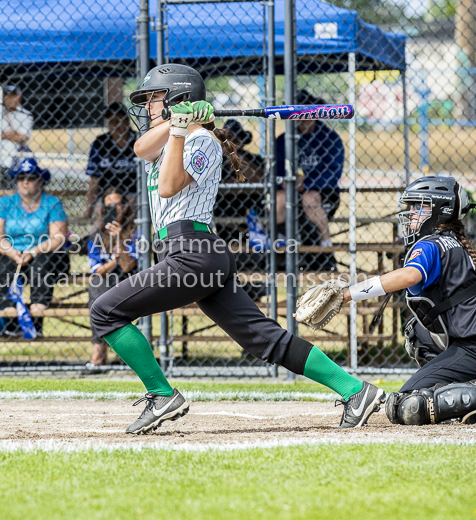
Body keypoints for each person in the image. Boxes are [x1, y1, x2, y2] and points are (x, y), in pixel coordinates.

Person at [90, 63, 384, 435]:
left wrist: (181, 129)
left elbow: (167, 187)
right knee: (263, 338)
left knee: (105, 311)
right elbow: (140, 147)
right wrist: (176, 122)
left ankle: (162, 394)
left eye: (154, 98)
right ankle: (356, 391)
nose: (147, 106)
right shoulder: (171, 136)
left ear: (177, 98)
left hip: (192, 251)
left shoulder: (202, 142)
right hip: (192, 253)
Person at [336, 176, 476, 426]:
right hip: (466, 342)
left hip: (471, 346)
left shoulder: (432, 243)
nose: (411, 214)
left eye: (418, 207)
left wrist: (348, 294)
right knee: (417, 332)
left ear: (439, 211)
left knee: (407, 404)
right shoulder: (452, 241)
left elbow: (410, 275)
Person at [0, 157, 69, 336]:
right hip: (14, 254)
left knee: (43, 261)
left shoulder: (52, 203)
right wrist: (13, 253)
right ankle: (11, 321)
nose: (25, 181)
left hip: (45, 254)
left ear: (40, 181)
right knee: (2, 262)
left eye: (31, 177)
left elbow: (58, 238)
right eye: (20, 177)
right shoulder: (6, 203)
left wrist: (32, 251)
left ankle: (35, 320)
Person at [275, 90, 344, 247]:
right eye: (296, 114)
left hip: (323, 192)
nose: (301, 118)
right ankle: (278, 244)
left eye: (305, 113)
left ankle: (325, 243)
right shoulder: (283, 140)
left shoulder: (329, 138)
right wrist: (284, 181)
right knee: (279, 198)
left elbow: (333, 172)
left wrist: (307, 184)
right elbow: (276, 169)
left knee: (309, 198)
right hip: (290, 190)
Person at [85, 189, 138, 370]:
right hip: (104, 281)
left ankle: (104, 355)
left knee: (104, 293)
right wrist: (113, 260)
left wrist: (119, 238)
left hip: (129, 280)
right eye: (109, 206)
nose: (114, 210)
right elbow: (97, 271)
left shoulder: (135, 233)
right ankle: (99, 353)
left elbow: (127, 267)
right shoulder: (95, 236)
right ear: (102, 210)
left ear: (124, 208)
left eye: (117, 205)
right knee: (96, 288)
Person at [82, 102, 138, 227]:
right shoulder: (101, 143)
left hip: (134, 194)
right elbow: (94, 179)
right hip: (108, 195)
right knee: (104, 209)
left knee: (130, 204)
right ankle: (103, 241)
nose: (114, 125)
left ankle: (131, 241)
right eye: (110, 121)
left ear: (126, 121)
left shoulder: (138, 139)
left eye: (118, 120)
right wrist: (88, 211)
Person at [214, 118, 265, 243]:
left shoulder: (253, 159)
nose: (229, 142)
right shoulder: (215, 161)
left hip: (250, 205)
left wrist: (237, 157)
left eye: (234, 139)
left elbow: (261, 179)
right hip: (224, 208)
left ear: (242, 140)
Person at [0, 85, 34, 171]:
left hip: (19, 161)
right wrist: (14, 133)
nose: (10, 99)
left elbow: (23, 137)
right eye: (7, 96)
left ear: (19, 97)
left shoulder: (26, 115)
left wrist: (2, 134)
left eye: (13, 96)